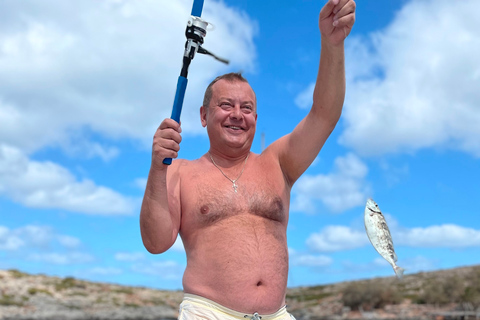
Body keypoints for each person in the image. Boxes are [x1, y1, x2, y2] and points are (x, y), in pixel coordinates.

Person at [140, 0, 355, 319]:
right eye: (226, 105)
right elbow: (156, 242)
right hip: (207, 312)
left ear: (256, 117)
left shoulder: (279, 162)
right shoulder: (179, 172)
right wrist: (158, 166)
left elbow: (325, 115)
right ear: (203, 115)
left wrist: (332, 43)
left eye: (248, 108)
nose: (238, 115)